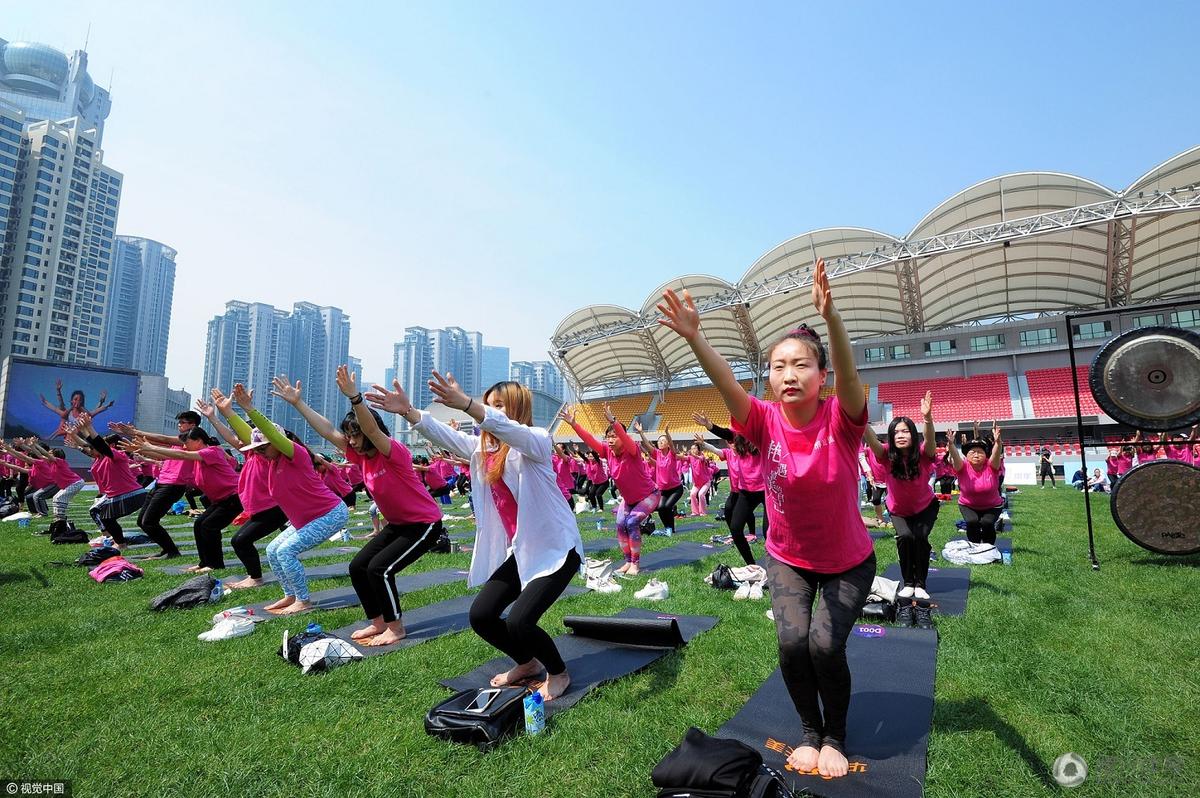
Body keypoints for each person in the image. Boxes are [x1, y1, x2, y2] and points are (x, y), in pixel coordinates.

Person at [658, 256, 874, 779]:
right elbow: (727, 382)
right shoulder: (762, 419)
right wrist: (694, 338)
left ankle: (835, 737)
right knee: (791, 642)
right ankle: (808, 731)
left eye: (801, 364)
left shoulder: (842, 420)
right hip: (787, 557)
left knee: (825, 644)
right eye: (778, 366)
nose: (789, 374)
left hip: (848, 560)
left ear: (821, 375)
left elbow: (850, 378)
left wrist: (833, 320)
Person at [368, 373, 584, 699]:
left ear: (516, 410)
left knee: (520, 622)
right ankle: (527, 663)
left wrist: (469, 405)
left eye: (498, 406)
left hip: (556, 550)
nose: (489, 412)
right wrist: (408, 411)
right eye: (488, 405)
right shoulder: (486, 452)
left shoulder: (536, 441)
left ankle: (558, 672)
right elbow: (445, 437)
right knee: (482, 616)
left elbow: (508, 430)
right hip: (522, 551)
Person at [272, 367, 442, 643]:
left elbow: (372, 430)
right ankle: (377, 622)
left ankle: (396, 628)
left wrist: (355, 398)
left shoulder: (391, 452)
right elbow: (328, 431)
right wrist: (298, 403)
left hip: (423, 525)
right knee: (358, 567)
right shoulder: (360, 455)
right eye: (348, 436)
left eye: (355, 435)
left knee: (380, 569)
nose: (350, 441)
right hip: (398, 525)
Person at [231, 383, 349, 615]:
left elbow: (272, 435)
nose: (259, 451)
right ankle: (290, 595)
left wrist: (251, 409)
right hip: (307, 519)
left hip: (330, 514)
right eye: (257, 448)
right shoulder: (271, 461)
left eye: (264, 447)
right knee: (273, 550)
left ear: (276, 443)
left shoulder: (296, 455)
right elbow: (250, 435)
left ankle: (303, 601)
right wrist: (230, 412)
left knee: (286, 552)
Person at [195, 392, 290, 589]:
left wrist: (231, 412)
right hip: (260, 511)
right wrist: (213, 418)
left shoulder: (268, 456)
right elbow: (232, 438)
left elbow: (257, 436)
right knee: (240, 540)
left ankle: (255, 578)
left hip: (273, 510)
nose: (241, 440)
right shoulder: (252, 454)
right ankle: (255, 576)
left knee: (240, 541)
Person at [124, 427, 243, 573]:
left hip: (234, 496)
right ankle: (204, 563)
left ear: (199, 441)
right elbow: (171, 456)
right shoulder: (196, 455)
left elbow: (180, 454)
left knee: (209, 526)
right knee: (199, 524)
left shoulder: (212, 451)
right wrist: (141, 449)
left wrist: (150, 446)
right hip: (221, 499)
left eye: (187, 442)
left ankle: (215, 565)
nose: (184, 446)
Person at [562, 402, 660, 576]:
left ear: (623, 437)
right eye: (608, 436)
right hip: (629, 500)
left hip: (649, 495)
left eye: (614, 435)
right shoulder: (607, 451)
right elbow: (590, 440)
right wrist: (574, 424)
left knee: (631, 522)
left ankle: (635, 564)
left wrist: (614, 421)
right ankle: (627, 561)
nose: (610, 439)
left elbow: (627, 439)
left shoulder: (633, 450)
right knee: (620, 524)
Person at [862, 391, 939, 601]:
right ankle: (909, 582)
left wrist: (928, 418)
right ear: (891, 437)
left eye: (905, 431)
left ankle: (921, 583)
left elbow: (930, 441)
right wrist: (862, 417)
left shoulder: (923, 454)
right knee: (905, 538)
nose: (901, 435)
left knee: (920, 538)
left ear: (912, 434)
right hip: (898, 509)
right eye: (896, 432)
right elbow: (872, 441)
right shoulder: (886, 455)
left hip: (925, 506)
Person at [110, 412, 202, 559]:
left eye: (183, 422)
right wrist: (136, 440)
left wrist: (135, 432)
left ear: (193, 425)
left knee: (149, 522)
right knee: (142, 521)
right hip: (161, 483)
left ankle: (172, 551)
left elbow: (162, 438)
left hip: (173, 485)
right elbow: (158, 448)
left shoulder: (192, 439)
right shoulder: (179, 442)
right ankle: (167, 549)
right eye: (179, 422)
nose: (179, 424)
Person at [64, 412, 147, 549]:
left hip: (131, 494)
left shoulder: (116, 455)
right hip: (118, 495)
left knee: (104, 516)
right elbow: (89, 446)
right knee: (102, 515)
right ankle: (116, 540)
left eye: (94, 448)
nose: (90, 450)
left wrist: (88, 427)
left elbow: (98, 444)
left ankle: (118, 542)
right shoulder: (99, 458)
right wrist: (77, 433)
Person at [945, 422, 1005, 544]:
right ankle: (975, 545)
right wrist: (951, 444)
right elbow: (955, 456)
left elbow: (996, 454)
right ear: (966, 456)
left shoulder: (991, 465)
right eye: (972, 452)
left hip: (992, 506)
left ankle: (988, 547)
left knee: (986, 523)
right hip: (968, 505)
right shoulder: (962, 467)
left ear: (985, 455)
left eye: (980, 452)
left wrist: (998, 442)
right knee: (972, 522)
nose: (976, 455)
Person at [634, 420, 683, 537]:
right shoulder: (657, 454)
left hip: (676, 488)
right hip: (663, 490)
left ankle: (672, 529)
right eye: (659, 441)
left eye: (663, 441)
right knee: (660, 508)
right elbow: (648, 445)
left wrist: (667, 433)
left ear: (667, 444)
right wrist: (641, 433)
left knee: (667, 506)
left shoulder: (672, 454)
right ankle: (668, 528)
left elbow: (671, 445)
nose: (660, 443)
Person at [39, 379, 115, 439]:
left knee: (80, 426)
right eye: (75, 399)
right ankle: (49, 439)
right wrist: (55, 393)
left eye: (80, 400)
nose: (77, 402)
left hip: (80, 438)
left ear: (82, 401)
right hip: (70, 439)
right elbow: (56, 408)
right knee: (62, 427)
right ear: (72, 400)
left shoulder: (84, 413)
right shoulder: (68, 412)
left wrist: (106, 404)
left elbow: (96, 411)